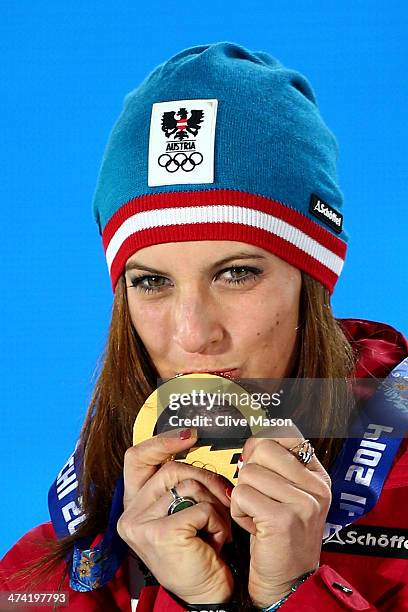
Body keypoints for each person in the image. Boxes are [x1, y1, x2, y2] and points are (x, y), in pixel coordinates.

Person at [1, 42, 407, 612]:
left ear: (313, 279)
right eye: (151, 282)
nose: (193, 335)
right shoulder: (48, 570)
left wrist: (294, 594)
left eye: (236, 273)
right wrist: (196, 603)